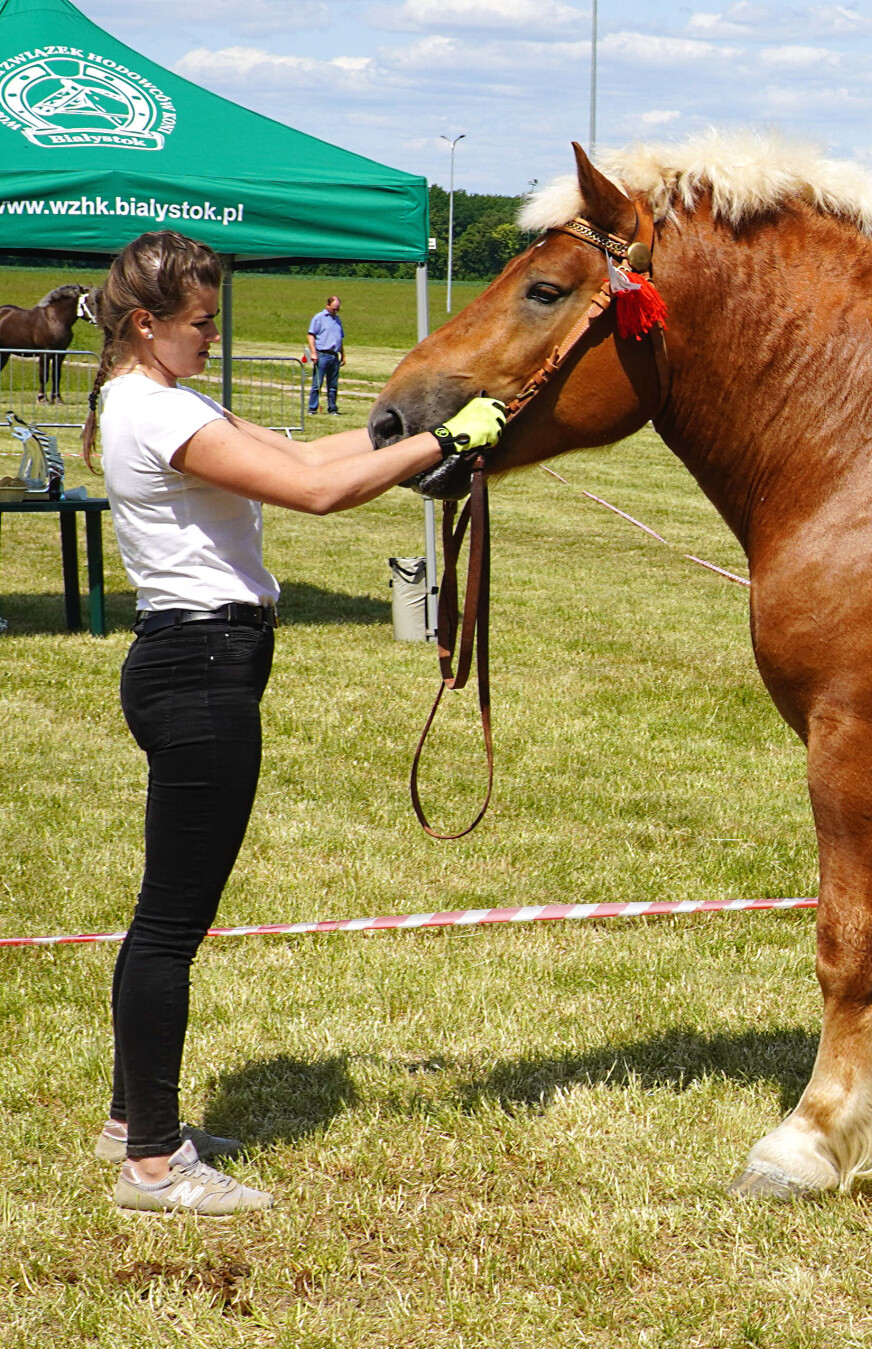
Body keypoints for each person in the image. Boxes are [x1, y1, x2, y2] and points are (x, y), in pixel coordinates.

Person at [81, 230, 508, 1215]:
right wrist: (444, 445)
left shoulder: (165, 395)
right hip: (198, 669)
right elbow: (315, 494)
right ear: (145, 323)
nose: (213, 331)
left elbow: (303, 451)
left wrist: (413, 426)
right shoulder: (154, 410)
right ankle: (151, 1161)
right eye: (200, 320)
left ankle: (128, 1118)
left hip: (202, 663)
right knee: (169, 924)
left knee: (165, 916)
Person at [305, 295, 344, 415]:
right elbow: (311, 335)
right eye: (333, 308)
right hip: (322, 354)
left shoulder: (337, 320)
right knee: (317, 383)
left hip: (334, 355)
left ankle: (332, 408)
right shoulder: (319, 318)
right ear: (327, 305)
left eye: (337, 309)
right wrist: (313, 353)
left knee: (333, 385)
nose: (335, 311)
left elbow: (340, 339)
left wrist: (343, 354)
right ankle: (312, 408)